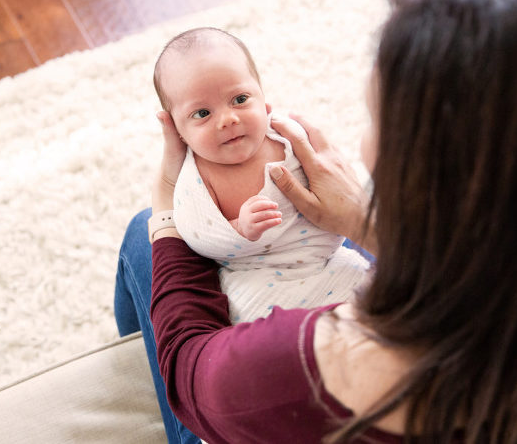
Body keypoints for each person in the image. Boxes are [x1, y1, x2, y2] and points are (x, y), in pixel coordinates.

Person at [115, 0, 517, 442]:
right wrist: (367, 226)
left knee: (145, 236)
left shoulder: (306, 368)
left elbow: (189, 371)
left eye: (375, 121)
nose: (361, 151)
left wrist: (167, 209)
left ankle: (127, 364)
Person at [151, 27, 372, 324]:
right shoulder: (196, 178)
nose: (228, 119)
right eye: (203, 114)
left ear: (264, 100)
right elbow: (195, 234)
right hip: (259, 276)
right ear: (178, 131)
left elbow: (334, 178)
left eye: (240, 99)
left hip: (329, 261)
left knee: (372, 291)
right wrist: (239, 227)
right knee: (247, 311)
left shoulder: (285, 136)